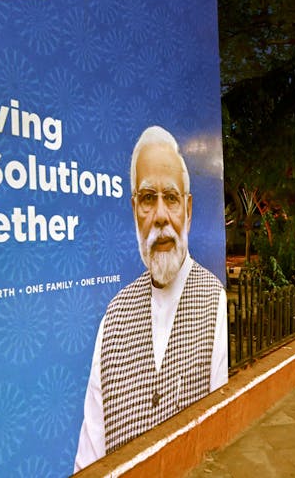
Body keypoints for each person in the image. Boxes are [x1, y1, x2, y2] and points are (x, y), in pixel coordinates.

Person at [74, 126, 228, 471]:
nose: (160, 216)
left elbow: (224, 442)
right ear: (134, 210)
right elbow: (90, 452)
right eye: (147, 198)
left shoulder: (215, 302)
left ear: (187, 210)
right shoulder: (113, 315)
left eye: (170, 198)